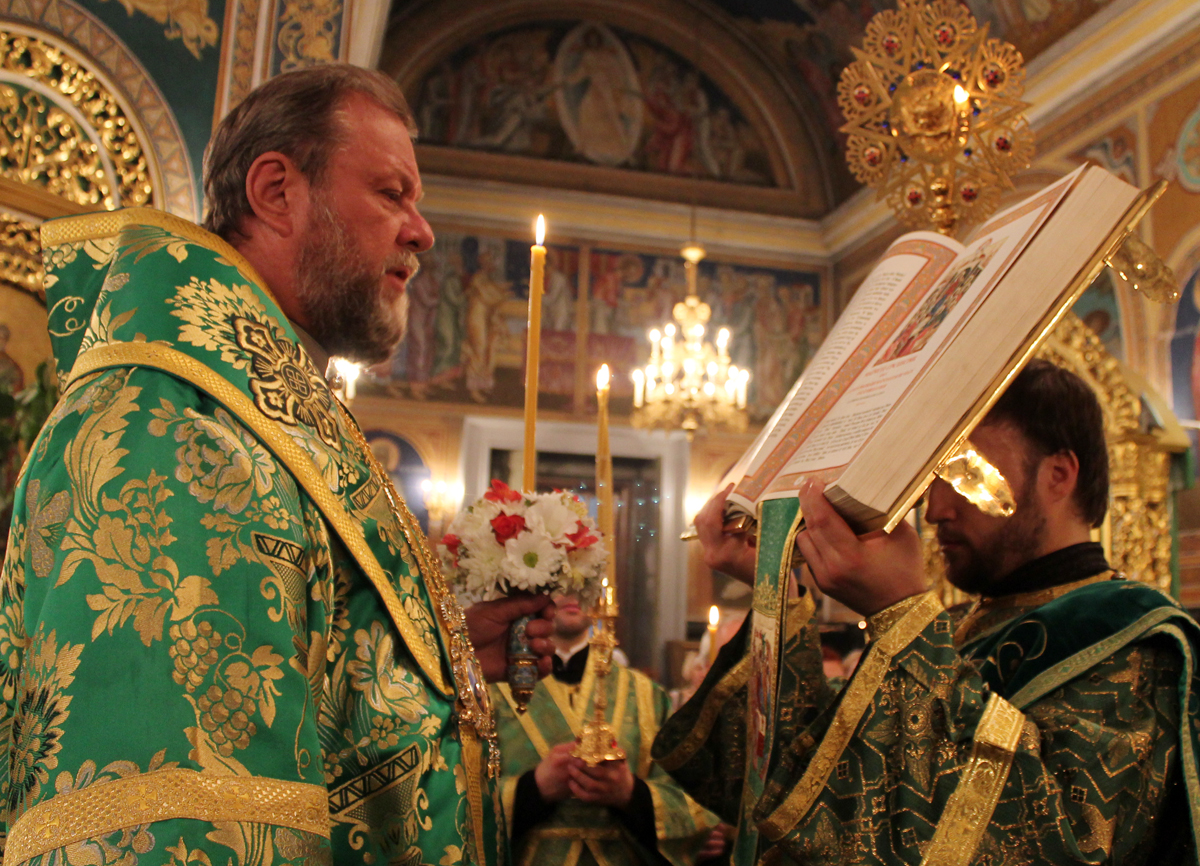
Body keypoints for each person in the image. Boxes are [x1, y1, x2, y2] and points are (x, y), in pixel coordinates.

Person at [0, 65, 557, 866]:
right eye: (392, 193)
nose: (422, 232)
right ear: (276, 192)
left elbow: (296, 664)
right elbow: (183, 818)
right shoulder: (176, 423)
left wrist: (438, 661)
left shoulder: (257, 409)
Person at [655, 360, 1200, 865]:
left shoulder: (1136, 641)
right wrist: (777, 589)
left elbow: (1053, 842)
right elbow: (813, 788)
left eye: (964, 473)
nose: (935, 509)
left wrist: (900, 613)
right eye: (932, 480)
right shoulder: (958, 627)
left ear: (1058, 475)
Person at [494, 592, 726, 866]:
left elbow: (693, 805)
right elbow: (461, 799)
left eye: (584, 580)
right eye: (561, 579)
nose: (574, 592)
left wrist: (630, 794)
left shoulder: (646, 695)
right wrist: (532, 790)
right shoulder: (494, 692)